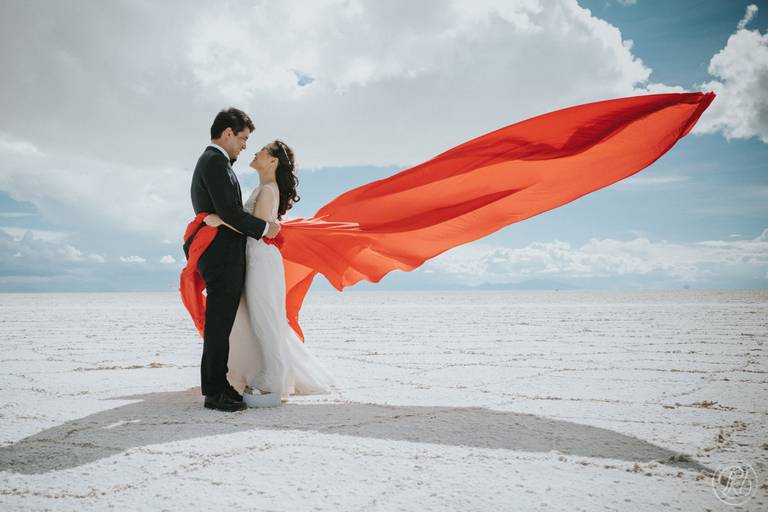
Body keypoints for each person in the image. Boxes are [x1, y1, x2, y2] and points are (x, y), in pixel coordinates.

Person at [204, 140, 337, 408]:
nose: (255, 152)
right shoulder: (266, 188)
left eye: (263, 150)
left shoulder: (266, 190)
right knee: (264, 317)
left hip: (260, 261)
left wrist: (218, 220)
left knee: (265, 319)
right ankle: (270, 372)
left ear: (273, 161)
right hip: (259, 259)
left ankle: (274, 381)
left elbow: (256, 230)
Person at [188, 108, 281, 412]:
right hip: (222, 255)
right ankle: (215, 393)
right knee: (219, 325)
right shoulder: (215, 162)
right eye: (242, 138)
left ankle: (219, 385)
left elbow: (224, 213)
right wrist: (266, 229)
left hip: (222, 252)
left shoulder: (215, 162)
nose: (244, 145)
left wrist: (220, 218)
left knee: (222, 325)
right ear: (227, 132)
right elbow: (229, 212)